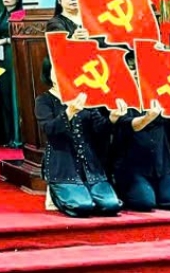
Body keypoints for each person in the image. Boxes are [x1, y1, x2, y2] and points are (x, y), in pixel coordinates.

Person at [35, 57, 122, 218]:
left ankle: (86, 192)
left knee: (112, 206)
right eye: (56, 69)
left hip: (90, 165)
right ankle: (56, 193)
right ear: (49, 73)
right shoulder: (44, 100)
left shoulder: (85, 96)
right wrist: (69, 112)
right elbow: (49, 129)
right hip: (63, 165)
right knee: (82, 207)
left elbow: (99, 128)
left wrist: (113, 118)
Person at [0, 0, 25, 147]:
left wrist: (5, 40)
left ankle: (18, 137)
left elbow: (21, 35)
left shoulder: (20, 14)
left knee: (14, 94)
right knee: (5, 96)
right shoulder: (1, 15)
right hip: (3, 58)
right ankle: (9, 137)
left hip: (13, 55)